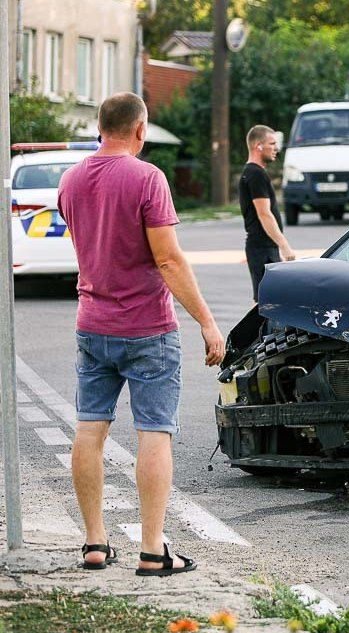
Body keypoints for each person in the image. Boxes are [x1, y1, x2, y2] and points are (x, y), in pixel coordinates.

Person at [58, 92, 225, 576]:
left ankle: (94, 543)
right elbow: (168, 260)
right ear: (140, 129)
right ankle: (153, 549)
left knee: (90, 427)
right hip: (148, 328)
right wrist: (207, 322)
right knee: (154, 433)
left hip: (92, 325)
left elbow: (90, 246)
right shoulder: (147, 178)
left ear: (99, 127)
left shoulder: (71, 180)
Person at [239, 125, 296, 302]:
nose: (276, 149)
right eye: (272, 144)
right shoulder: (255, 174)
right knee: (265, 302)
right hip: (261, 247)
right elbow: (264, 214)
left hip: (263, 247)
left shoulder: (253, 172)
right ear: (258, 146)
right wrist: (285, 246)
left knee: (267, 299)